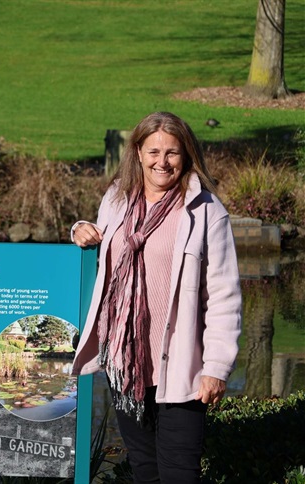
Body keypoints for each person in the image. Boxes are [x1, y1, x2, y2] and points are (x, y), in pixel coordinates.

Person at [70, 112, 242, 483]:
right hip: (126, 362)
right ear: (138, 152)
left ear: (187, 154)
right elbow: (104, 246)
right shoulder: (117, 199)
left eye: (172, 153)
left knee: (180, 473)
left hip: (181, 367)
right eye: (153, 151)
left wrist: (216, 367)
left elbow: (225, 296)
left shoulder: (207, 212)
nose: (162, 162)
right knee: (145, 470)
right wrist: (79, 229)